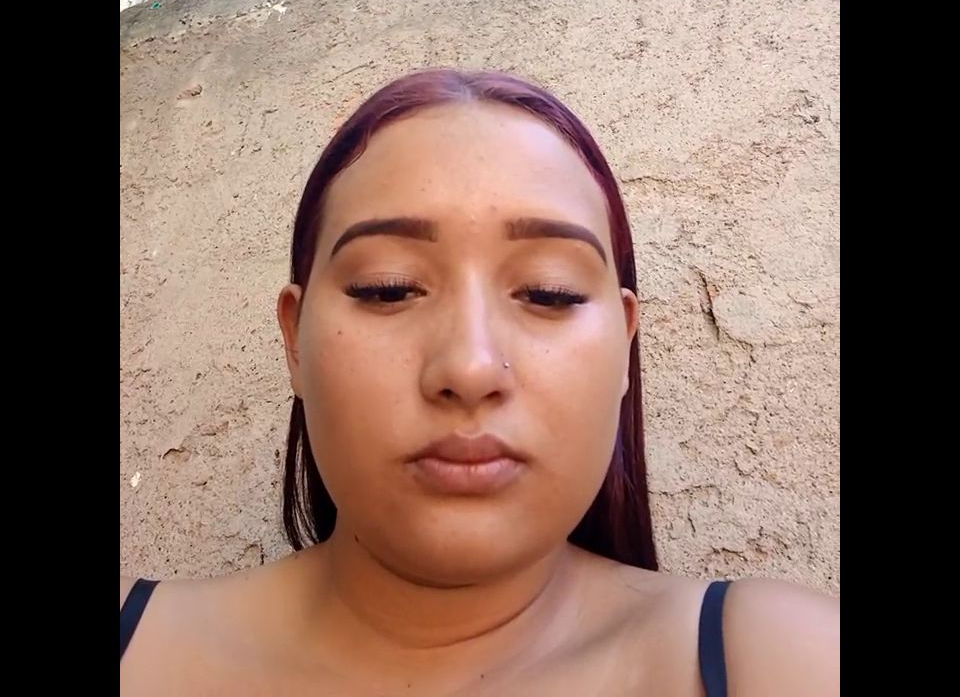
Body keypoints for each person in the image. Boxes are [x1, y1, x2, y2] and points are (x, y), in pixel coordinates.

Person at [120, 69, 839, 695]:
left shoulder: (782, 660)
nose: (469, 367)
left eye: (550, 292)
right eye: (387, 287)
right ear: (294, 340)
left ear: (624, 348)